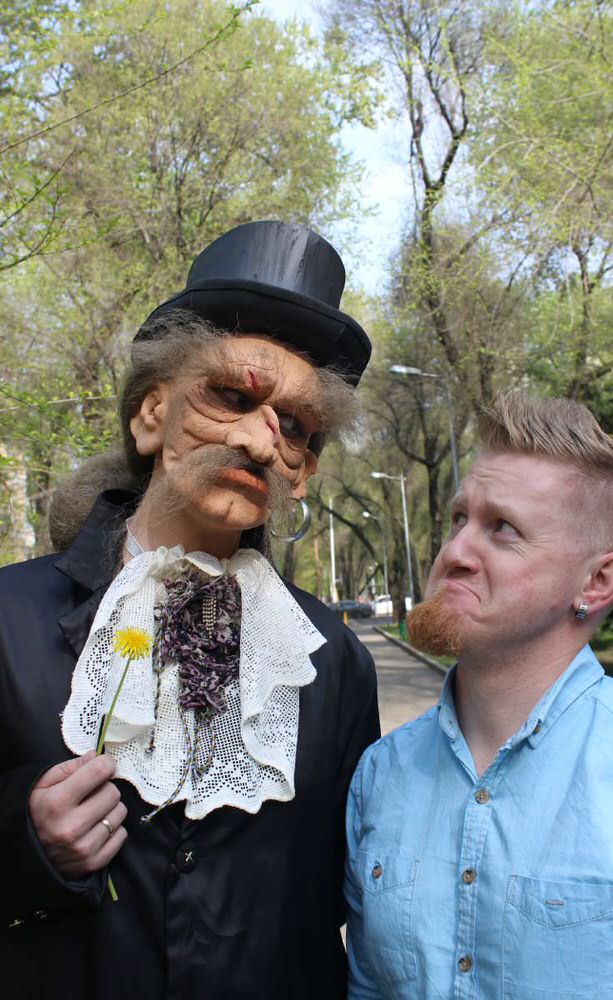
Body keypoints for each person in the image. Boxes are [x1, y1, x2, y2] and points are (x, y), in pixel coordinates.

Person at [0, 220, 380, 1000]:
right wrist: (21, 842)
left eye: (295, 429)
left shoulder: (332, 659)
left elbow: (343, 897)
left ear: (301, 472)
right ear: (151, 414)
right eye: (231, 396)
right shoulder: (6, 619)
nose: (260, 443)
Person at [345, 391, 613, 999]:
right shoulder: (380, 775)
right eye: (458, 519)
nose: (454, 553)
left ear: (597, 582)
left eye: (504, 529)